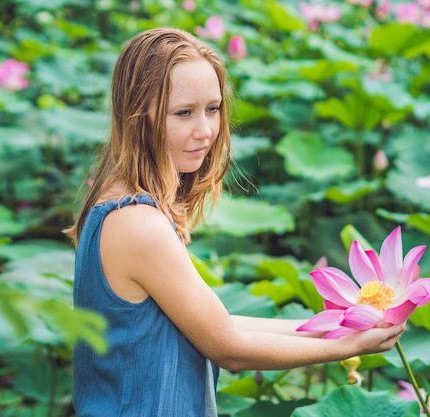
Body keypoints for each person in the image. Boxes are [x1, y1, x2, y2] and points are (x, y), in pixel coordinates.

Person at [64, 27, 406, 417]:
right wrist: (346, 347)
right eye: (184, 113)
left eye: (212, 109)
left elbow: (217, 325)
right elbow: (229, 349)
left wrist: (338, 325)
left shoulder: (114, 203)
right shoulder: (137, 223)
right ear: (138, 116)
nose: (205, 130)